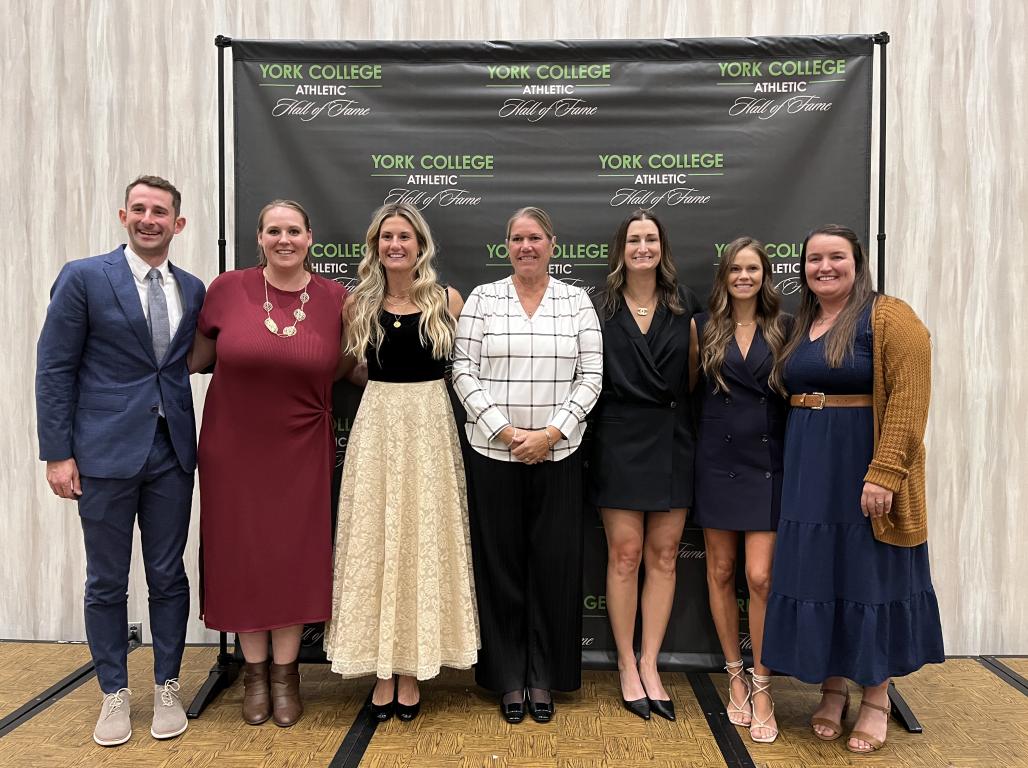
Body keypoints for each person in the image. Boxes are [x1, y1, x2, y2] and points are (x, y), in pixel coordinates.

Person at [761, 224, 944, 754]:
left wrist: (885, 472)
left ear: (858, 262)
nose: (824, 267)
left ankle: (877, 697)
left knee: (869, 576)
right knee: (822, 576)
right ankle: (833, 688)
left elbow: (910, 399)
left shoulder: (890, 316)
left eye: (836, 257)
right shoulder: (802, 323)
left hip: (861, 467)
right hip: (808, 470)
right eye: (814, 259)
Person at [36, 175, 205, 746]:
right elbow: (54, 368)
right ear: (123, 215)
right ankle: (114, 691)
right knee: (106, 578)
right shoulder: (84, 277)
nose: (148, 219)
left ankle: (167, 684)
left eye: (160, 211)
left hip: (171, 451)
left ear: (178, 223)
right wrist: (57, 454)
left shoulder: (193, 288)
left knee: (167, 573)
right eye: (139, 209)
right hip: (103, 453)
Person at [188, 200, 348, 727]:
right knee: (243, 556)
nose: (284, 239)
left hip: (302, 448)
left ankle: (286, 675)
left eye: (294, 230)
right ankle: (254, 675)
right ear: (259, 237)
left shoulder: (336, 299)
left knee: (292, 559)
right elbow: (193, 359)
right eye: (274, 230)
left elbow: (352, 367)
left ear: (310, 237)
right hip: (232, 448)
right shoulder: (226, 290)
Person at [323, 203, 479, 722]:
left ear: (420, 245)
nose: (395, 244)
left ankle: (412, 669)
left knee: (422, 539)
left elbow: (465, 369)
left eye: (404, 236)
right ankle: (382, 669)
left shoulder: (446, 300)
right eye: (387, 236)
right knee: (377, 540)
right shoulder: (358, 304)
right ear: (375, 245)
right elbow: (350, 368)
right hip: (378, 426)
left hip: (431, 424)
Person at [452, 206, 602, 724]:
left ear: (552, 245)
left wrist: (550, 433)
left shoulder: (576, 301)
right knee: (501, 566)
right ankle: (508, 676)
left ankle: (544, 676)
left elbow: (592, 376)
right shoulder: (484, 298)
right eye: (517, 238)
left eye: (535, 237)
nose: (526, 247)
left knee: (554, 567)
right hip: (494, 452)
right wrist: (507, 432)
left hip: (559, 453)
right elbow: (462, 369)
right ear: (507, 246)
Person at [589, 210, 700, 721]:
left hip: (673, 439)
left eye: (650, 239)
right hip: (618, 440)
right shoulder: (599, 306)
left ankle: (651, 662)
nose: (642, 247)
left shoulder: (685, 305)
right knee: (625, 555)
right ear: (621, 248)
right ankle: (626, 665)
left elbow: (693, 377)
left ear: (662, 248)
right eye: (634, 239)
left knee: (665, 555)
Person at [689, 237, 790, 743]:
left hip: (767, 464)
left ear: (765, 275)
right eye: (735, 269)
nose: (744, 277)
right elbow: (690, 393)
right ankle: (734, 675)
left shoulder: (785, 327)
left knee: (761, 577)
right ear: (724, 276)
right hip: (716, 461)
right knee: (721, 571)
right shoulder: (704, 327)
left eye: (752, 269)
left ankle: (763, 683)